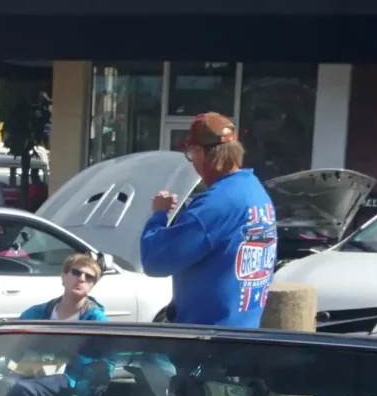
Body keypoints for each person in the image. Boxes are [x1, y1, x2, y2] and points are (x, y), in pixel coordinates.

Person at [141, 112, 277, 329]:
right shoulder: (256, 193)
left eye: (190, 154)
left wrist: (158, 215)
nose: (191, 161)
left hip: (208, 343)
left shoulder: (215, 204)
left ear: (200, 153)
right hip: (246, 333)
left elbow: (155, 261)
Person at [20, 252, 108, 323]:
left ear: (93, 285)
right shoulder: (35, 314)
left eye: (88, 277)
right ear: (63, 276)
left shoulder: (97, 320)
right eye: (76, 273)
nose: (81, 279)